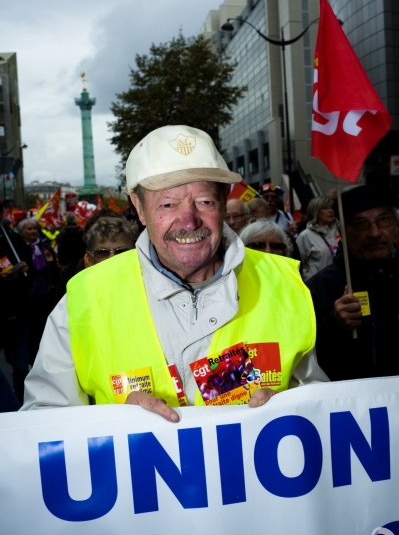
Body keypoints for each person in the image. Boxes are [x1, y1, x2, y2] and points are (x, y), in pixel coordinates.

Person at [22, 125, 328, 418]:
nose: (188, 220)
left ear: (223, 202)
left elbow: (325, 410)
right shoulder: (84, 299)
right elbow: (43, 423)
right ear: (139, 208)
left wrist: (291, 411)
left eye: (204, 201)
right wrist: (110, 425)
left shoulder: (286, 286)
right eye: (167, 204)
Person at [307, 185, 399, 381]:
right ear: (343, 232)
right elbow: (305, 363)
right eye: (361, 224)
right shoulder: (319, 286)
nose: (375, 233)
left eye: (383, 220)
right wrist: (334, 325)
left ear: (396, 226)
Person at [0, 202, 32, 403]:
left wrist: (23, 271)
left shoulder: (13, 239)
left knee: (22, 367)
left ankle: (21, 405)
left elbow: (31, 275)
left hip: (15, 316)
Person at [17, 218, 58, 364]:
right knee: (32, 335)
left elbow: (53, 269)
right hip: (28, 299)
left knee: (46, 333)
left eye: (34, 228)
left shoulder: (45, 247)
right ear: (21, 232)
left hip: (46, 297)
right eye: (29, 229)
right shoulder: (19, 250)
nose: (33, 231)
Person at [297, 196, 340, 282]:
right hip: (318, 285)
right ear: (315, 212)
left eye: (331, 207)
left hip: (339, 282)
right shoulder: (305, 236)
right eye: (325, 208)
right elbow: (299, 264)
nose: (330, 210)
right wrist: (308, 278)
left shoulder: (340, 231)